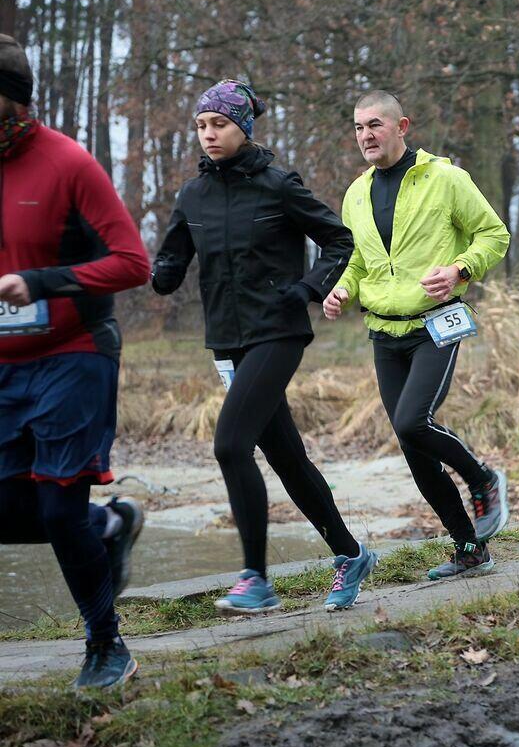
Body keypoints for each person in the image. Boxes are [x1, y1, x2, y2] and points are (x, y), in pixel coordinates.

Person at [153, 80, 375, 614]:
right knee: (286, 456)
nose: (209, 134)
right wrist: (163, 271)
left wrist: (308, 289)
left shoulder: (278, 185)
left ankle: (256, 578)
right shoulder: (193, 195)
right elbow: (173, 256)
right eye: (201, 126)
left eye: (220, 124)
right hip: (227, 341)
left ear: (243, 128)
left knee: (231, 445)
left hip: (277, 331)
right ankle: (351, 554)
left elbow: (339, 240)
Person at [0, 34, 150, 687]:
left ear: (10, 97)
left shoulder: (67, 162)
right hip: (5, 366)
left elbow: (133, 263)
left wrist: (43, 281)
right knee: (11, 510)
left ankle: (106, 645)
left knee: (59, 506)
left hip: (74, 351)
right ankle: (109, 526)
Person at [323, 91, 511, 578]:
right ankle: (469, 548)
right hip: (384, 331)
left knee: (411, 422)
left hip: (436, 322)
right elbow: (357, 261)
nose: (366, 135)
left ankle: (483, 479)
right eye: (359, 127)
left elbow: (495, 235)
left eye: (375, 124)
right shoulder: (356, 193)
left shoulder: (446, 179)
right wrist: (341, 290)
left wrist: (459, 269)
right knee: (413, 447)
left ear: (401, 126)